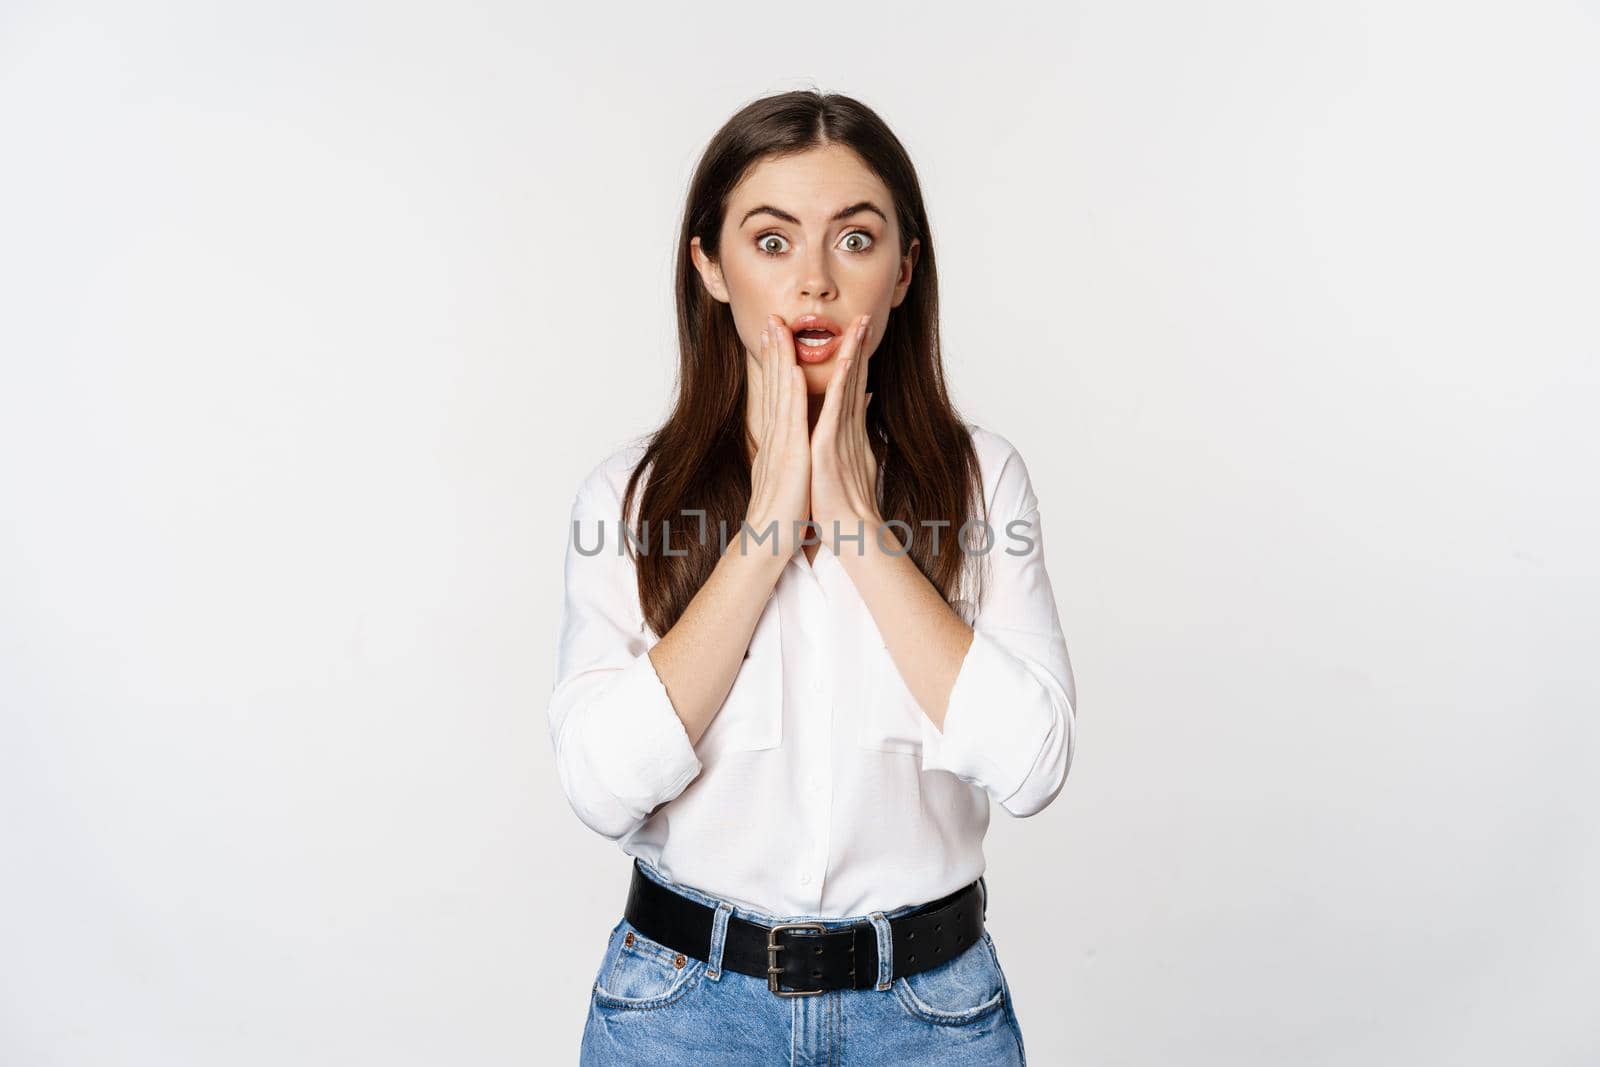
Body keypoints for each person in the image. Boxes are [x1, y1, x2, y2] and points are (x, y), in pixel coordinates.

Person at [548, 89, 1077, 1066]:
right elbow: (600, 786)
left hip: (929, 1015)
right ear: (709, 264)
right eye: (773, 240)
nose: (817, 283)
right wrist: (764, 524)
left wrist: (854, 525)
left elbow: (1034, 764)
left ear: (904, 267)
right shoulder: (625, 495)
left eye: (856, 238)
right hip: (683, 1012)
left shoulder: (981, 480)